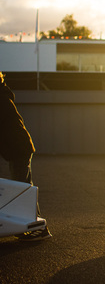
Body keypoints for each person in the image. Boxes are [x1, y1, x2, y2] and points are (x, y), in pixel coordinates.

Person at [0, 72, 52, 241]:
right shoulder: (3, 95)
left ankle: (37, 228)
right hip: (19, 146)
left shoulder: (1, 98)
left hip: (19, 147)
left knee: (22, 188)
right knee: (22, 186)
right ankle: (32, 225)